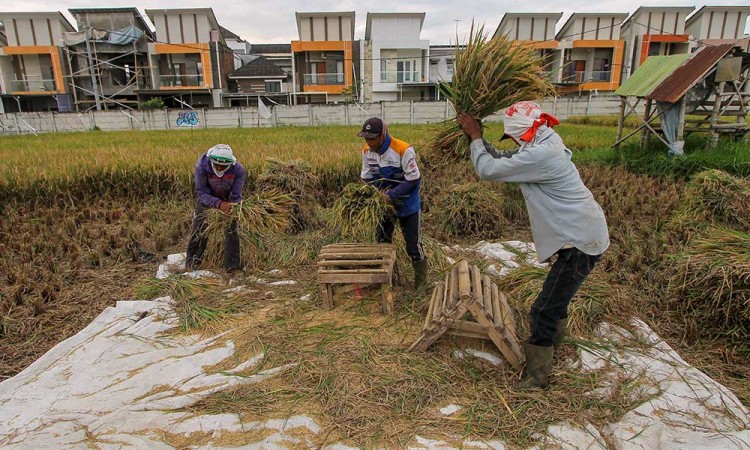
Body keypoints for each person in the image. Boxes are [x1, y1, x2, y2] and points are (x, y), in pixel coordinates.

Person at [457, 101, 609, 391]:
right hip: (580, 233)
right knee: (557, 300)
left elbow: (488, 170)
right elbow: (506, 158)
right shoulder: (543, 139)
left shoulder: (542, 154)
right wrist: (479, 141)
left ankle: (537, 378)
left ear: (524, 133)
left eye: (514, 137)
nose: (514, 142)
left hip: (579, 241)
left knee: (543, 309)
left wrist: (475, 137)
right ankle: (554, 346)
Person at [358, 117, 428, 290]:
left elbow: (413, 179)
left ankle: (421, 286)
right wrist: (374, 194)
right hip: (382, 204)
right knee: (382, 242)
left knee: (413, 245)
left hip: (407, 204)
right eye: (366, 138)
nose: (369, 141)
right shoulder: (367, 150)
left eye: (372, 137)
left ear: (383, 134)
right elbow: (366, 177)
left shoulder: (403, 150)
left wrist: (392, 195)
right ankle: (386, 281)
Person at [185, 144, 247, 272]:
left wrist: (231, 206)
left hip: (227, 200)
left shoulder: (238, 170)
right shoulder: (201, 166)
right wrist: (218, 204)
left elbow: (236, 195)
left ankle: (232, 267)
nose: (219, 168)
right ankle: (192, 265)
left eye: (223, 166)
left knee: (232, 230)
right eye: (217, 165)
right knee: (200, 230)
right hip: (206, 199)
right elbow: (201, 193)